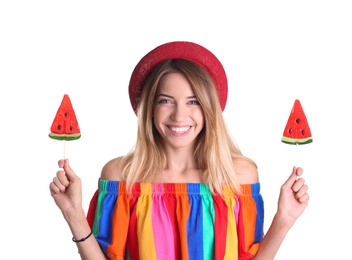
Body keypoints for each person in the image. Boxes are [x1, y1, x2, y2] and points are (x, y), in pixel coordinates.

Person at [49, 41, 309, 260]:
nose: (179, 115)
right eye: (165, 101)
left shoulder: (239, 176)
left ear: (209, 108)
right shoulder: (120, 175)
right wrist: (73, 213)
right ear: (148, 108)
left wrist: (284, 217)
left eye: (193, 101)